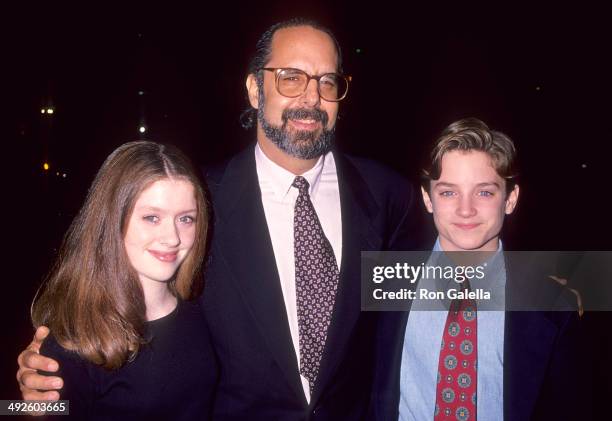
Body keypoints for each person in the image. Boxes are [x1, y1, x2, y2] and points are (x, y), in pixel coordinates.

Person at [17, 18, 422, 420]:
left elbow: (421, 299)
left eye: (326, 81)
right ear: (254, 89)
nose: (311, 97)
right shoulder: (195, 205)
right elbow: (114, 293)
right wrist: (48, 369)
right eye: (290, 78)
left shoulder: (387, 196)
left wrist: (485, 264)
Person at [370, 118, 588, 420]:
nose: (465, 209)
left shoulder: (553, 307)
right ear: (427, 198)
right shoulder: (383, 282)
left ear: (510, 199)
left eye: (484, 192)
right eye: (448, 192)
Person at [30, 141, 217, 419]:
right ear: (112, 220)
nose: (172, 237)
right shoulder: (75, 339)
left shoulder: (203, 306)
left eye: (186, 219)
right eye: (152, 217)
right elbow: (17, 409)